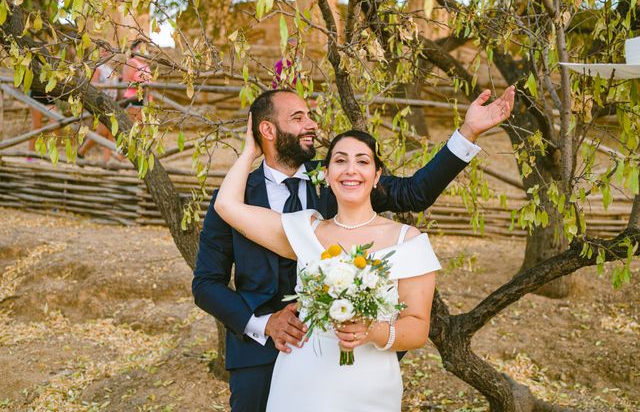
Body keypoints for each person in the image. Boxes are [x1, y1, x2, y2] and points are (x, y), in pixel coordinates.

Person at [192, 86, 515, 412]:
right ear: (267, 130)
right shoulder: (234, 196)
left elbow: (416, 192)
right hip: (257, 352)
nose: (312, 125)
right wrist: (263, 324)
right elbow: (206, 284)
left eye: (311, 116)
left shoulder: (340, 177)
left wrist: (469, 130)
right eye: (298, 117)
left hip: (352, 356)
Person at [215, 123, 439, 411]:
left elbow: (418, 328)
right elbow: (227, 206)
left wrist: (371, 331)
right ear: (325, 174)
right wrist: (250, 152)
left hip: (371, 385)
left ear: (376, 175)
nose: (350, 169)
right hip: (301, 380)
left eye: (362, 161)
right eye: (340, 160)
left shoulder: (407, 240)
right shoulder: (304, 230)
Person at [78, 46, 121, 162]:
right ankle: (81, 152)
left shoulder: (111, 68)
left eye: (107, 51)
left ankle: (106, 162)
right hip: (101, 103)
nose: (105, 53)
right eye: (102, 51)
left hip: (112, 103)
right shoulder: (97, 67)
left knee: (111, 133)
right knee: (102, 132)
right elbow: (93, 85)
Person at [121, 39, 151, 123]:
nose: (143, 50)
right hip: (134, 97)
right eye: (140, 47)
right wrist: (143, 87)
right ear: (133, 49)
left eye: (145, 48)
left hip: (145, 98)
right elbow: (126, 81)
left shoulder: (146, 65)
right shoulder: (132, 62)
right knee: (135, 125)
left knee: (142, 126)